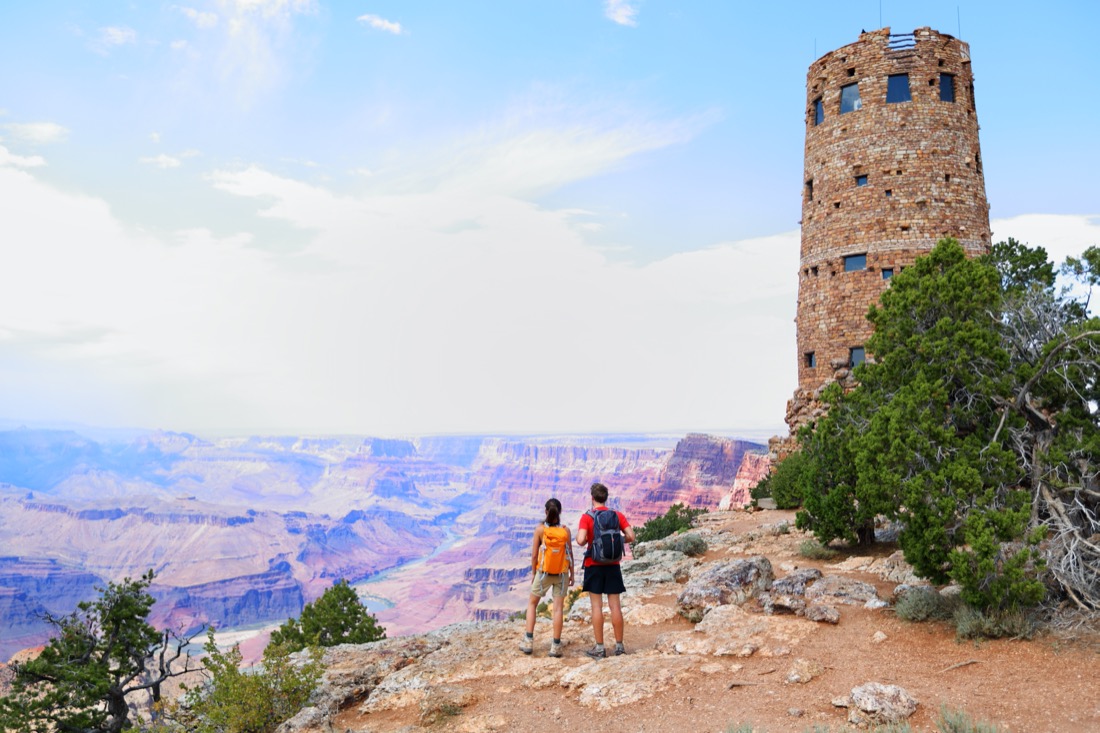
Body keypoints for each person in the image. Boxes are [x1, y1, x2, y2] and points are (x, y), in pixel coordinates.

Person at [575, 482, 635, 659]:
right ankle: (619, 646)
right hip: (613, 566)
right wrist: (616, 540)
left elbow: (580, 540)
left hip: (594, 565)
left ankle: (600, 648)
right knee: (615, 605)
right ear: (606, 498)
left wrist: (591, 540)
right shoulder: (617, 515)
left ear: (592, 498)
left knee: (596, 607)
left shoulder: (587, 517)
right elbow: (631, 536)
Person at [520, 497, 574, 657]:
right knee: (558, 610)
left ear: (546, 512)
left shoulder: (540, 530)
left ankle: (528, 641)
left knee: (532, 604)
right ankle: (555, 646)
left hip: (543, 573)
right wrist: (571, 574)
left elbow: (535, 554)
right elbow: (569, 553)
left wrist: (533, 573)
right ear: (560, 512)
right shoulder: (566, 530)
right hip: (561, 573)